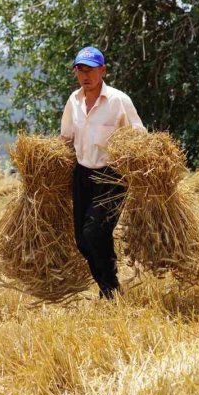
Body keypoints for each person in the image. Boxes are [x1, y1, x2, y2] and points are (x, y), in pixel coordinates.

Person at [60, 46, 145, 299]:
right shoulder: (73, 101)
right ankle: (108, 286)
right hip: (82, 173)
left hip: (112, 176)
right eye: (80, 70)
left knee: (94, 231)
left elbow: (139, 137)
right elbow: (65, 138)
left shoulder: (119, 101)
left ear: (103, 70)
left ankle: (110, 290)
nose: (84, 75)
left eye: (90, 69)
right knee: (82, 240)